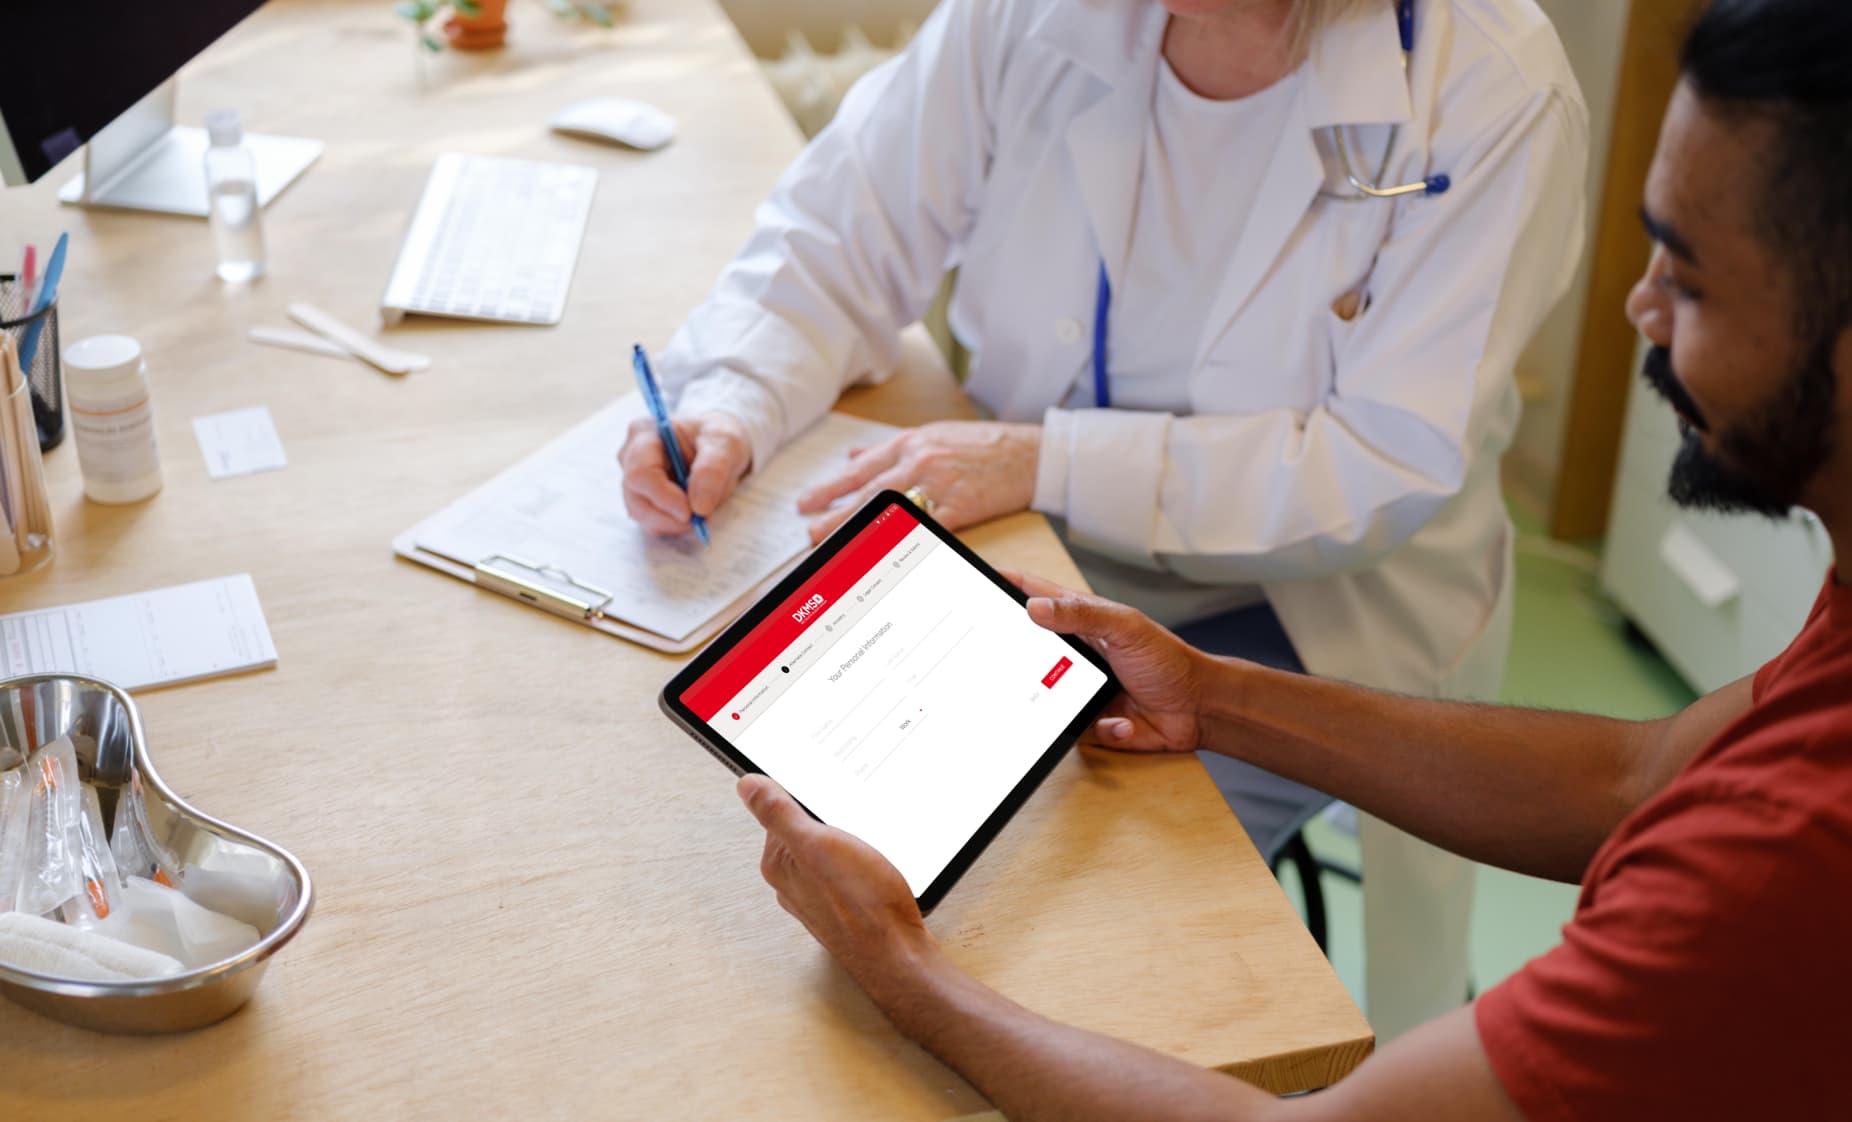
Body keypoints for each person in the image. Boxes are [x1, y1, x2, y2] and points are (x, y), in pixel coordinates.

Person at [731, 0, 1852, 1115]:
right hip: (1087, 578)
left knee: (1051, 933)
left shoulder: (1785, 855)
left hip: (1326, 599)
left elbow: (1379, 466)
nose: (1636, 304)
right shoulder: (1824, 649)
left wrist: (902, 970)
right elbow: (1640, 776)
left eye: (1690, 280)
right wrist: (1213, 698)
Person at [623, 0, 1589, 1037]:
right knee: (807, 845)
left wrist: (1052, 462)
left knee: (1085, 952)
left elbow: (1379, 466)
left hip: (1303, 612)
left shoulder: (1488, 78)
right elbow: (841, 229)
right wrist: (733, 402)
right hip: (1029, 549)